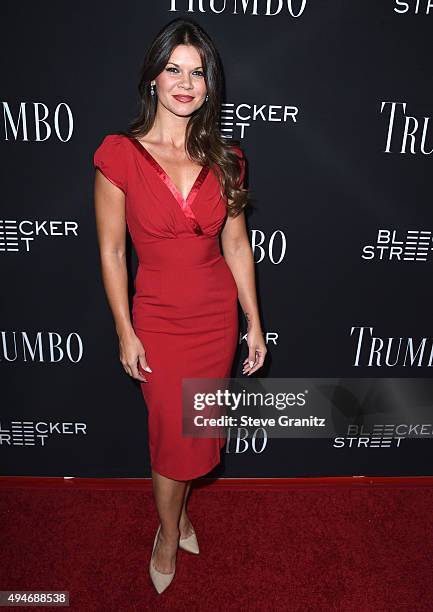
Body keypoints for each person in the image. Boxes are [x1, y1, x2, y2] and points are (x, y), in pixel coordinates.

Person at [93, 17, 266, 594]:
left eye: (197, 73)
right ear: (154, 78)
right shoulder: (119, 156)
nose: (185, 83)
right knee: (173, 438)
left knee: (196, 431)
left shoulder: (227, 158)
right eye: (174, 69)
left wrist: (254, 325)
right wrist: (124, 329)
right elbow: (114, 253)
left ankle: (180, 516)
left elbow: (238, 246)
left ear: (209, 85)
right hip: (159, 321)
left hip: (215, 318)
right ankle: (167, 532)